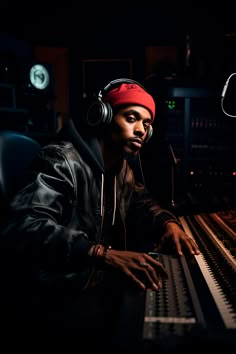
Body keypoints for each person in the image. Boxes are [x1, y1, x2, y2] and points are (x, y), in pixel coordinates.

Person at [0, 78, 200, 351]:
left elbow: (143, 203)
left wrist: (169, 222)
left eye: (147, 124)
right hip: (56, 293)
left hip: (94, 283)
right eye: (132, 118)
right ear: (102, 115)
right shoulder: (61, 161)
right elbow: (23, 226)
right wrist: (100, 253)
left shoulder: (121, 170)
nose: (141, 130)